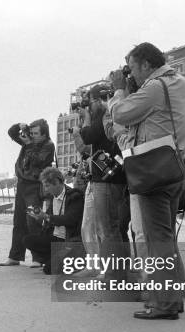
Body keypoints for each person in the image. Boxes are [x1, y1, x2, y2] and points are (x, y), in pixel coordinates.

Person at [109, 42, 185, 319]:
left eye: (133, 67)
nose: (131, 73)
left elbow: (120, 113)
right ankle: (174, 296)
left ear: (146, 64)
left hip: (153, 169)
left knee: (158, 239)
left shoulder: (155, 88)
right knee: (165, 235)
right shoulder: (177, 81)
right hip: (173, 165)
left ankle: (164, 304)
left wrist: (120, 89)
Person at [77, 83, 127, 281]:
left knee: (107, 227)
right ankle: (117, 272)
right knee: (111, 226)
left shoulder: (104, 113)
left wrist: (87, 118)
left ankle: (114, 275)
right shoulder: (112, 111)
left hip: (107, 178)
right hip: (113, 177)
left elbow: (88, 136)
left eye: (90, 101)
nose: (89, 105)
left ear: (97, 100)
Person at [0, 119, 55, 268]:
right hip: (22, 184)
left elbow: (39, 161)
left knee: (33, 222)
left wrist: (29, 144)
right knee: (18, 222)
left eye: (36, 133)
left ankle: (39, 258)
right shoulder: (28, 142)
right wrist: (20, 126)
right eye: (31, 133)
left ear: (44, 134)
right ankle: (15, 256)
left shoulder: (48, 145)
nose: (32, 136)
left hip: (34, 186)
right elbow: (11, 133)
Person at [22, 167, 84, 275]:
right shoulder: (53, 198)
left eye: (47, 186)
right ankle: (55, 259)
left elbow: (69, 219)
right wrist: (40, 217)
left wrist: (46, 217)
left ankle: (69, 262)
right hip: (55, 239)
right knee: (27, 240)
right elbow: (50, 221)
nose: (46, 190)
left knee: (48, 270)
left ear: (56, 182)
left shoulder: (74, 196)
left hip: (70, 241)